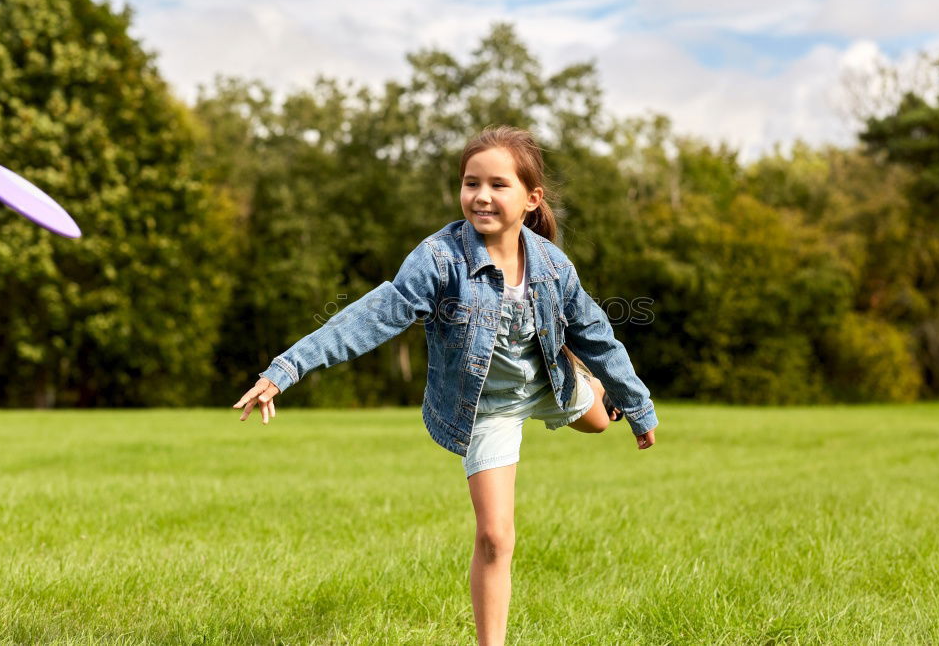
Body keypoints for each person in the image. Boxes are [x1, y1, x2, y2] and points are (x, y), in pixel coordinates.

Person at [233, 125, 659, 645]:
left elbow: (597, 334)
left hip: (548, 377)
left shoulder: (551, 266)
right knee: (495, 536)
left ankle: (593, 392)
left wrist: (638, 407)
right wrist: (285, 368)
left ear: (531, 199)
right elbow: (372, 316)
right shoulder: (439, 260)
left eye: (498, 185)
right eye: (470, 182)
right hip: (485, 406)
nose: (480, 196)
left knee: (595, 420)